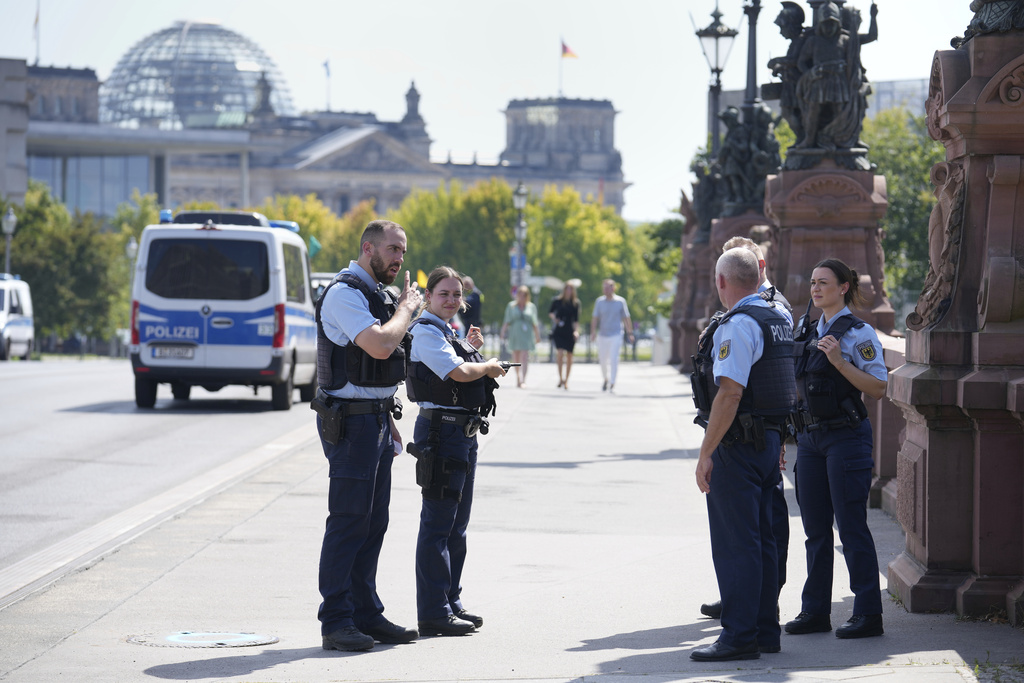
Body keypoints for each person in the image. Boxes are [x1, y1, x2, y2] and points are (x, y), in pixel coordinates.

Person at [312, 219, 422, 652]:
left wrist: (385, 415)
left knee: (373, 523)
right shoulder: (345, 294)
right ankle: (336, 620)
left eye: (403, 251)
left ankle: (365, 613)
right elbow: (379, 345)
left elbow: (382, 366)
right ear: (367, 248)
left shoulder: (378, 296)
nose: (398, 258)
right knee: (348, 522)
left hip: (374, 420)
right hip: (351, 424)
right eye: (392, 249)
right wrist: (406, 309)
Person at [690, 248, 797, 662]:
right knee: (764, 541)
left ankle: (739, 636)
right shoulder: (780, 318)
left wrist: (706, 452)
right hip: (770, 443)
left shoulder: (737, 325)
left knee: (738, 544)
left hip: (738, 445)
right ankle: (765, 632)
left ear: (722, 282)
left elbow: (730, 393)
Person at [785, 258, 887, 639]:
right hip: (809, 440)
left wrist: (839, 361)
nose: (815, 289)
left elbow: (878, 388)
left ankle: (868, 614)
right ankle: (814, 612)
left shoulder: (859, 333)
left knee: (851, 526)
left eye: (824, 282)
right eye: (813, 282)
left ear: (843, 287)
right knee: (815, 529)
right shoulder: (805, 328)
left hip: (846, 437)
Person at [406, 267, 507, 636]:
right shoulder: (424, 331)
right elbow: (458, 374)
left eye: (456, 294)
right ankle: (433, 612)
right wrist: (486, 366)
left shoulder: (448, 332)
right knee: (437, 525)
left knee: (456, 526)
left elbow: (456, 367)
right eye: (444, 293)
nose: (451, 300)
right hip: (442, 433)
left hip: (460, 432)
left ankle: (450, 600)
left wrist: (473, 351)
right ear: (429, 296)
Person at [590, 279, 634, 392]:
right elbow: (595, 318)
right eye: (604, 287)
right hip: (603, 334)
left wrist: (630, 333)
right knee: (603, 360)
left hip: (616, 334)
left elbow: (626, 318)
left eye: (607, 287)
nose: (605, 290)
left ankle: (613, 382)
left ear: (613, 288)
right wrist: (593, 332)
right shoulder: (599, 302)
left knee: (614, 358)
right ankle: (606, 378)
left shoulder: (620, 302)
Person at [500, 285, 541, 388]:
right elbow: (506, 321)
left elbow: (534, 322)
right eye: (520, 295)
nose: (522, 297)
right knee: (516, 357)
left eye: (524, 295)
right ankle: (518, 377)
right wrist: (502, 332)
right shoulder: (511, 306)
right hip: (515, 334)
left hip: (526, 335)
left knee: (525, 356)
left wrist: (537, 335)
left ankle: (523, 379)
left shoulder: (531, 307)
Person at [549, 278, 581, 390]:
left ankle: (566, 380)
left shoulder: (575, 304)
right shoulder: (557, 301)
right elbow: (551, 312)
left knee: (569, 356)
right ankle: (560, 378)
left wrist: (576, 331)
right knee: (560, 353)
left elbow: (576, 320)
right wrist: (555, 319)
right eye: (567, 288)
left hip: (569, 331)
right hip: (559, 331)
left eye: (570, 289)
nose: (568, 291)